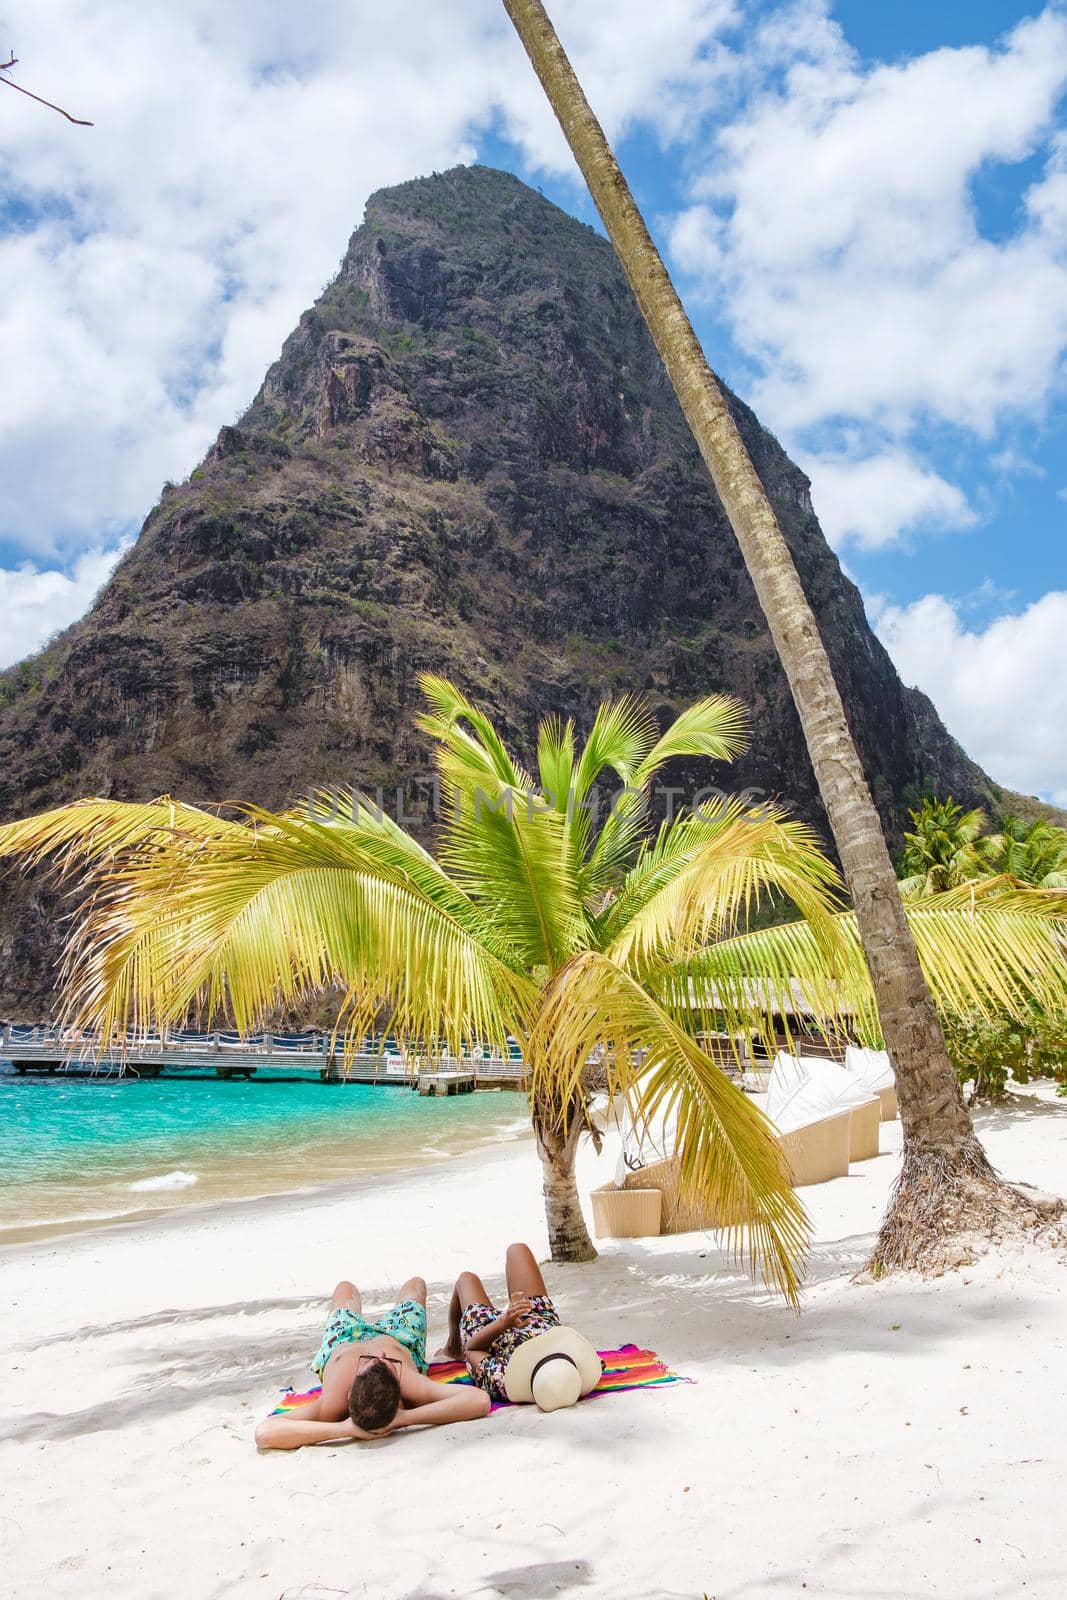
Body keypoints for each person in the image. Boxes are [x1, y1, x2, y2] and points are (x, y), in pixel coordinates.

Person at [255, 1274, 490, 1449]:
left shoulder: (331, 1404)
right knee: (415, 1286)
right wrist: (406, 1418)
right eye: (382, 1363)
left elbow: (266, 1432)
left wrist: (342, 1428)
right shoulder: (409, 1382)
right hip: (400, 1338)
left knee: (345, 1289)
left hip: (343, 1337)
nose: (380, 1355)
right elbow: (479, 1400)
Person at [442, 1242, 602, 1412]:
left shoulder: (502, 1380)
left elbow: (472, 1349)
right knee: (517, 1249)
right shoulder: (571, 1368)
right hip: (539, 1319)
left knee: (466, 1278)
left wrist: (503, 1322)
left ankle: (453, 1346)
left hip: (491, 1335)